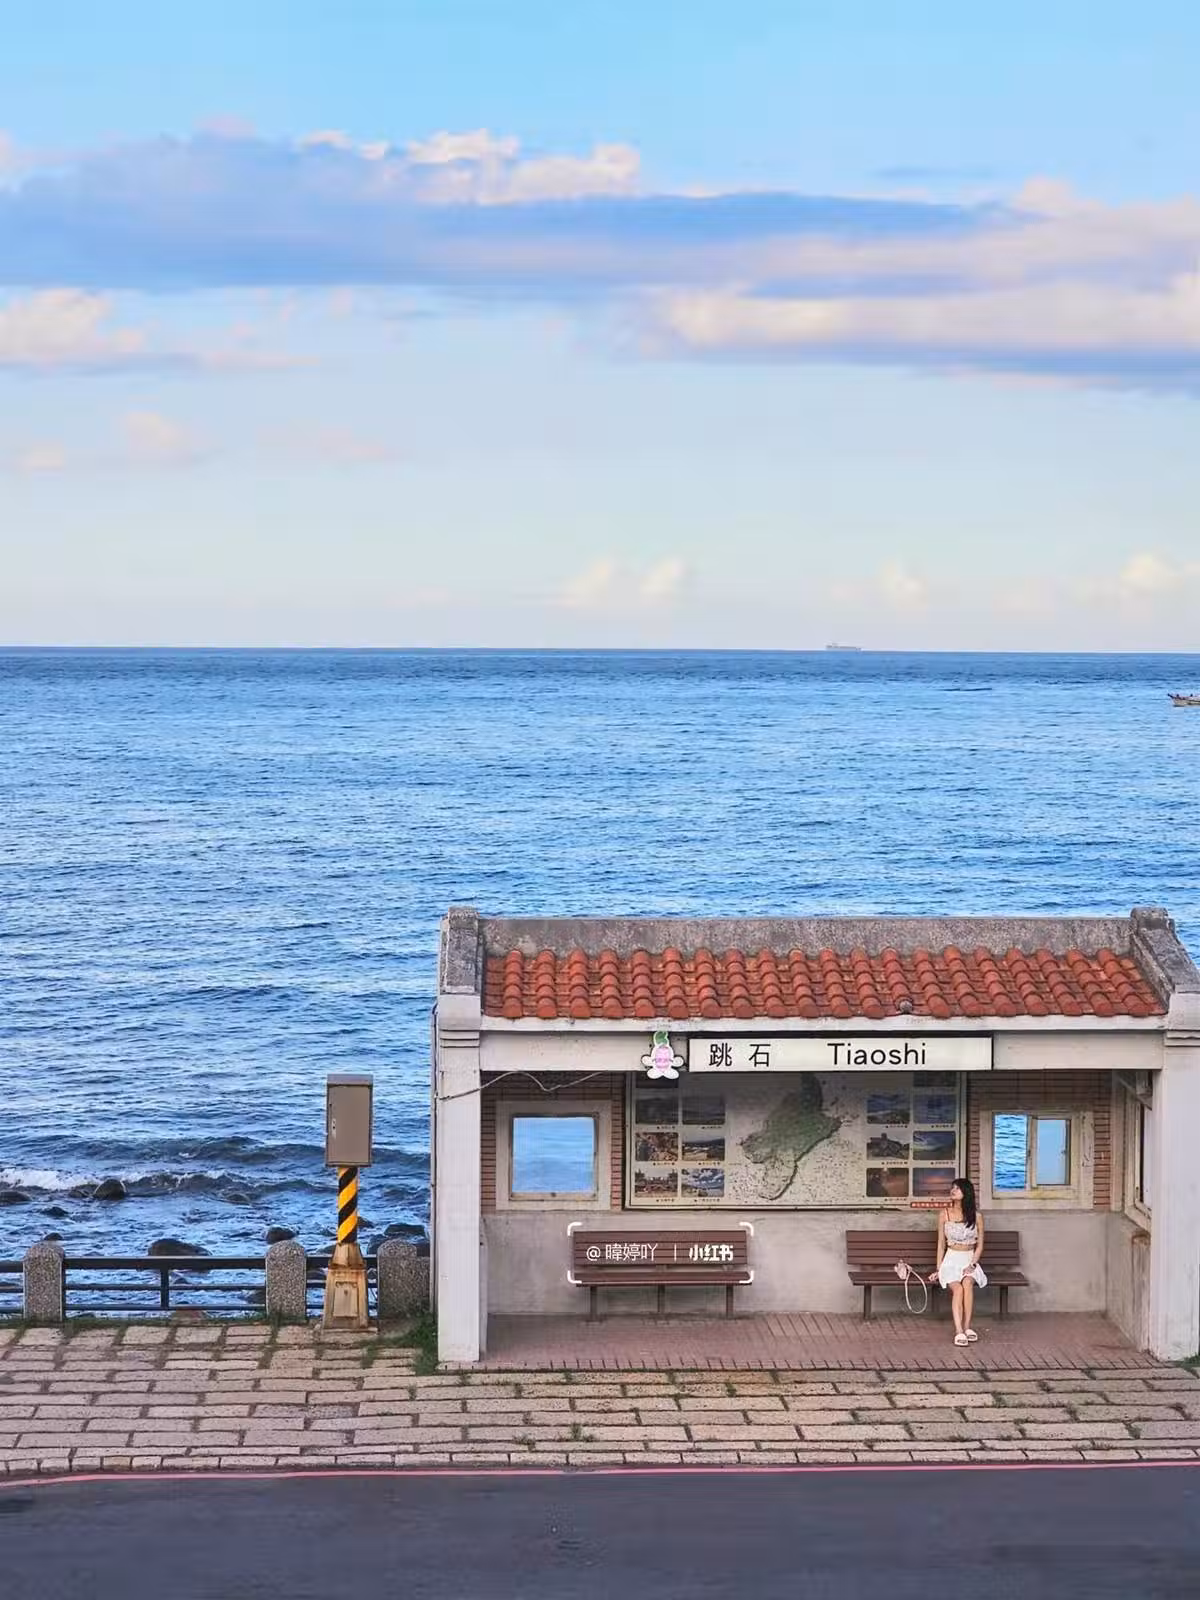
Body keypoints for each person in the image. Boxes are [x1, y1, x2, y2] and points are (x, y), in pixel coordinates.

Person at [928, 1177, 986, 1346]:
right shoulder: (944, 1214)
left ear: (966, 1193)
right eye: (952, 1188)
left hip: (969, 1259)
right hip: (951, 1259)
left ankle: (967, 1327)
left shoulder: (977, 1216)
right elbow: (941, 1244)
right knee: (958, 1289)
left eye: (957, 1188)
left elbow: (980, 1245)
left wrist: (972, 1265)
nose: (953, 1191)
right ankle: (959, 1331)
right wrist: (938, 1269)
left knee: (967, 1283)